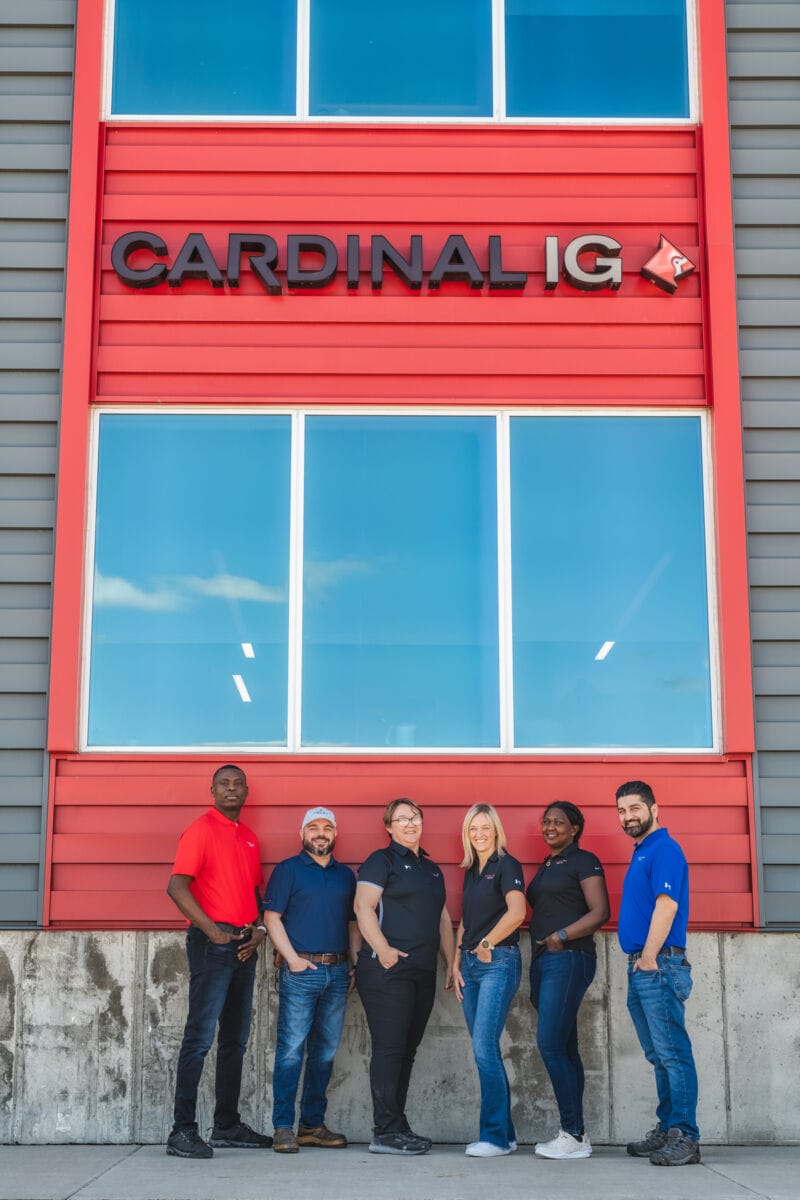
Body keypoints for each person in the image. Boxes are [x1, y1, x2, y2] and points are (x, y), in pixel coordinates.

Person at [165, 764, 271, 1159]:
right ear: (212, 790)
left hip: (244, 943)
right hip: (213, 943)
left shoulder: (248, 838)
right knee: (199, 1037)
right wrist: (211, 930)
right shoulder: (201, 830)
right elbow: (176, 886)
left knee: (235, 1040)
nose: (231, 789)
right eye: (224, 784)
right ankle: (182, 1130)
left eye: (237, 784)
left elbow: (253, 892)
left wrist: (259, 931)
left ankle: (226, 1125)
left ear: (246, 791)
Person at [354, 797, 455, 1155]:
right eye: (401, 819)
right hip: (387, 971)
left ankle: (397, 1123)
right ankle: (384, 1131)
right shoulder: (380, 861)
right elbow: (362, 906)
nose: (409, 824)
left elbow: (443, 919)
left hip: (424, 970)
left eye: (414, 817)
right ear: (389, 827)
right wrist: (383, 951)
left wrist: (452, 962)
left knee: (407, 1051)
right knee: (390, 1048)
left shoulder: (432, 869)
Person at [263, 805, 360, 1153]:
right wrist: (292, 960)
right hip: (301, 972)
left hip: (337, 973)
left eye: (327, 828)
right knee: (291, 1051)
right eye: (314, 827)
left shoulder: (346, 876)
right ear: (302, 834)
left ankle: (312, 1125)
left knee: (325, 1053)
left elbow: (352, 922)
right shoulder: (288, 870)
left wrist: (353, 964)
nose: (321, 833)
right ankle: (283, 1127)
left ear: (335, 834)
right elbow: (272, 917)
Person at [616, 780, 700, 1167]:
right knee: (658, 1055)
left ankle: (686, 1135)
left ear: (654, 808)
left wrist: (649, 956)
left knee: (673, 1054)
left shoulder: (665, 849)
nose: (628, 816)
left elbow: (667, 905)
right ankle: (668, 1130)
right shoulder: (642, 852)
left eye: (635, 808)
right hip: (643, 964)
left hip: (659, 963)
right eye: (621, 810)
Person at [526, 800, 609, 1160]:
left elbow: (600, 912)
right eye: (546, 822)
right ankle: (578, 1137)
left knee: (550, 1044)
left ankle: (572, 1133)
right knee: (566, 1048)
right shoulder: (547, 865)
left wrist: (562, 934)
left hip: (570, 957)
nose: (550, 827)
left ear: (574, 828)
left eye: (558, 822)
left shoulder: (583, 860)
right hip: (546, 960)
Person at [453, 803, 526, 1158]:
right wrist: (455, 963)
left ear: (496, 829)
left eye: (485, 827)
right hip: (469, 966)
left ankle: (494, 1137)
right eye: (473, 829)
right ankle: (506, 1136)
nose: (479, 834)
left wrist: (487, 944)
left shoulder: (505, 865)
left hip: (498, 962)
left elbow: (517, 912)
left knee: (484, 1048)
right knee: (485, 1049)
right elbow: (466, 922)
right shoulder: (471, 870)